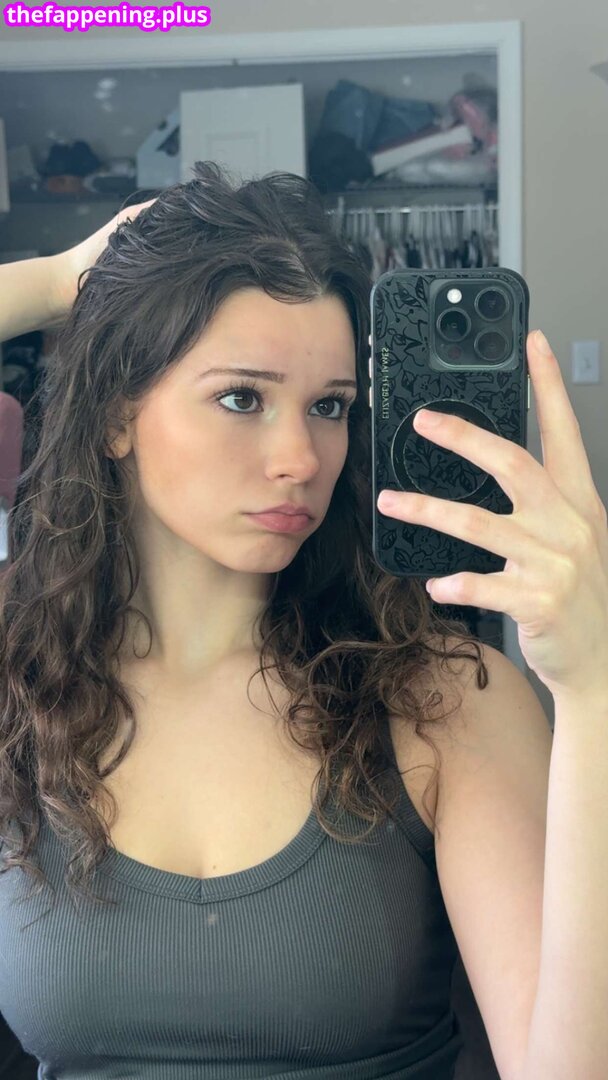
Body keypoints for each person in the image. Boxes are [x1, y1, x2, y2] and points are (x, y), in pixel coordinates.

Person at [0, 162, 553, 1080]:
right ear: (114, 415)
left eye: (329, 407)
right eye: (242, 398)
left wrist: (594, 681)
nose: (301, 456)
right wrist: (57, 282)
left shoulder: (443, 701)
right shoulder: (18, 682)